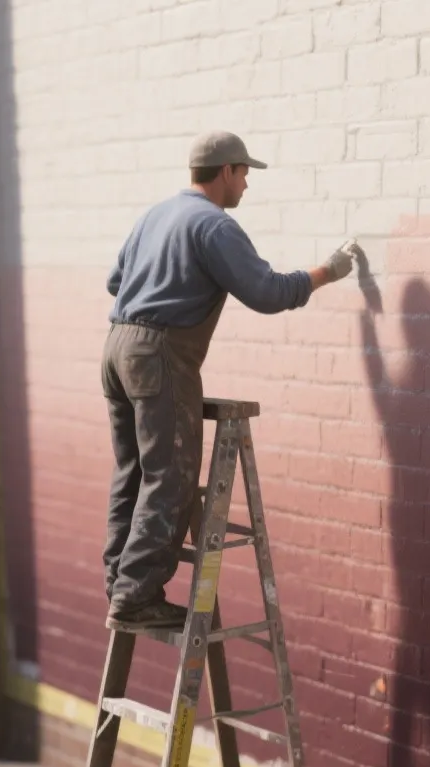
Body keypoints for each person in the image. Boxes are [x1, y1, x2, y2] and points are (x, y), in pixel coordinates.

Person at [101, 131, 359, 629]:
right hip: (159, 355)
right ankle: (136, 598)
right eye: (244, 175)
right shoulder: (214, 227)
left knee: (131, 471)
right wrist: (325, 272)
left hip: (116, 348)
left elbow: (117, 282)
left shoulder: (155, 215)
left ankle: (119, 583)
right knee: (170, 477)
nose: (246, 186)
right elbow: (266, 292)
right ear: (225, 172)